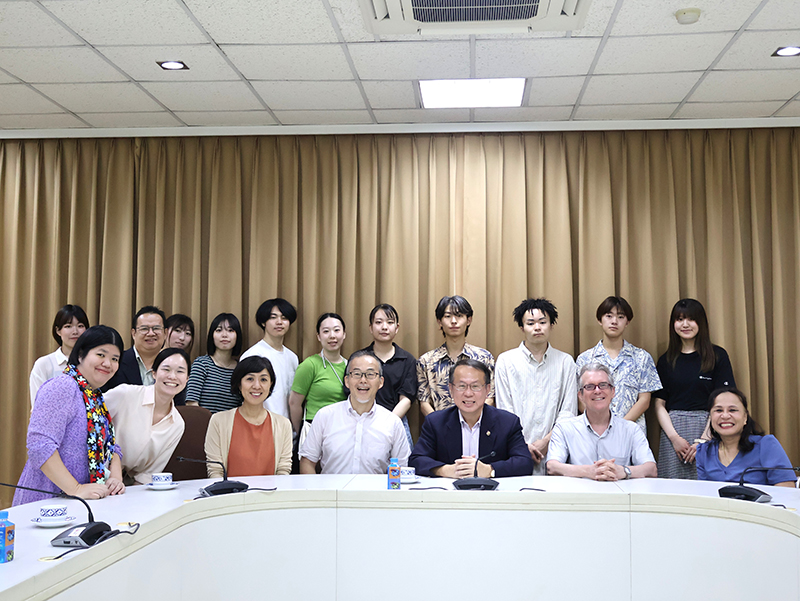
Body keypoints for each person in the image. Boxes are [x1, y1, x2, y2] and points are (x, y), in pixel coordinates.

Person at [14, 325, 127, 505]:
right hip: (47, 501)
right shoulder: (63, 387)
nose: (108, 363)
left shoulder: (94, 397)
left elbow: (111, 446)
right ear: (81, 354)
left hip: (81, 502)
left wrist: (115, 477)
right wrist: (76, 488)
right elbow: (40, 445)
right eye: (100, 355)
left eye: (115, 358)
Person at [653, 298, 735, 480]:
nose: (685, 324)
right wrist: (674, 438)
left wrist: (704, 440)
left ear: (701, 323)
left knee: (709, 485)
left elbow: (724, 400)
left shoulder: (717, 356)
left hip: (710, 427)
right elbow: (659, 404)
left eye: (691, 319)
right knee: (672, 489)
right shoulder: (666, 360)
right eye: (679, 319)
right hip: (673, 431)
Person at [410, 359, 533, 479]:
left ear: (487, 390)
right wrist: (446, 470)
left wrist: (489, 470)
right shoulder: (436, 422)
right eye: (461, 386)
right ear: (451, 389)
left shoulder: (507, 422)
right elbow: (416, 460)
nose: (468, 393)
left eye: (475, 386)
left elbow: (525, 463)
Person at [495, 298, 577, 474]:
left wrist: (547, 441)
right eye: (530, 323)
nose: (537, 327)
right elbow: (504, 409)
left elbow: (568, 410)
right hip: (514, 451)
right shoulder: (505, 361)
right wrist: (522, 445)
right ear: (522, 327)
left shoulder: (566, 362)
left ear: (551, 325)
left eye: (543, 322)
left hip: (557, 451)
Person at [299, 351, 410, 474]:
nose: (363, 380)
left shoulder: (392, 422)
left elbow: (402, 468)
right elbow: (307, 462)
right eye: (356, 374)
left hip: (375, 492)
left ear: (381, 382)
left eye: (370, 374)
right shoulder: (325, 416)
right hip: (333, 492)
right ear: (347, 381)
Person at [546, 363, 657, 480]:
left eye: (603, 385)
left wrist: (624, 471)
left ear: (613, 391)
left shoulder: (631, 429)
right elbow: (552, 467)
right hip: (579, 496)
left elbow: (651, 469)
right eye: (589, 386)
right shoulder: (564, 428)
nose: (597, 391)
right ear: (580, 395)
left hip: (620, 496)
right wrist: (588, 471)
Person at [575, 296, 661, 433]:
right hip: (594, 432)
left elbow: (644, 400)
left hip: (631, 433)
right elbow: (581, 400)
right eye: (609, 316)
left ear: (627, 322)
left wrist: (618, 426)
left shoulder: (642, 357)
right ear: (600, 320)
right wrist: (601, 425)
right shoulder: (584, 359)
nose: (614, 321)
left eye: (620, 317)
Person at [104, 348, 188, 485]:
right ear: (153, 373)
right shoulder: (126, 394)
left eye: (180, 371)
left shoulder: (177, 424)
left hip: (125, 487)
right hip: (93, 472)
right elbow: (88, 418)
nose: (172, 376)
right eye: (166, 369)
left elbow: (148, 474)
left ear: (187, 379)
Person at [204, 356, 293, 477]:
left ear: (270, 384)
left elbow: (283, 470)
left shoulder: (283, 424)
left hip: (271, 494)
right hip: (230, 494)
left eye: (263, 380)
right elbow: (215, 471)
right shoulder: (218, 421)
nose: (257, 386)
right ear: (239, 384)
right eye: (250, 379)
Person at [697, 388, 795, 487]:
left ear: (745, 417)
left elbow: (786, 488)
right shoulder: (704, 451)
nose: (725, 416)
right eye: (718, 410)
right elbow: (704, 493)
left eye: (732, 410)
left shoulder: (766, 445)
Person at [417, 295, 494, 415]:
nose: (453, 321)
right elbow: (424, 402)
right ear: (439, 322)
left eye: (459, 316)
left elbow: (490, 396)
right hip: (440, 429)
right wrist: (439, 425)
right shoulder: (426, 361)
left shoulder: (484, 357)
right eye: (448, 316)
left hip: (476, 425)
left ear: (469, 320)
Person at [357, 304, 417, 448]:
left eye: (390, 323)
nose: (384, 327)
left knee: (402, 467)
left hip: (396, 420)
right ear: (370, 327)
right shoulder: (359, 359)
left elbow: (406, 399)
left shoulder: (407, 359)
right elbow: (352, 392)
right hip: (362, 419)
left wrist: (387, 423)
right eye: (378, 322)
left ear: (396, 328)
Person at [288, 312, 348, 435]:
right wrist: (300, 432)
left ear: (344, 334)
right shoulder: (310, 365)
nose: (332, 336)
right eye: (326, 331)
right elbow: (294, 403)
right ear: (319, 336)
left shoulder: (350, 366)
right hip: (315, 428)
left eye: (337, 330)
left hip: (344, 428)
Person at [240, 298, 299, 419]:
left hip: (286, 427)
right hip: (259, 423)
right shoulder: (252, 354)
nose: (279, 322)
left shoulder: (292, 357)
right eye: (273, 317)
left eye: (284, 318)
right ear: (263, 322)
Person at [29, 304, 90, 409]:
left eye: (80, 326)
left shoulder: (92, 363)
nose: (75, 331)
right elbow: (38, 405)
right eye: (68, 326)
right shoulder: (44, 364)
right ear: (58, 331)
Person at [185, 313, 243, 413]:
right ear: (212, 335)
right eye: (219, 330)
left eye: (230, 330)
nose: (224, 335)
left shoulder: (241, 369)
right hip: (203, 425)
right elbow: (191, 403)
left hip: (230, 426)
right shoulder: (201, 364)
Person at [103, 305, 167, 391]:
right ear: (133, 333)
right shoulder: (117, 362)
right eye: (144, 329)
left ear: (165, 333)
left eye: (156, 328)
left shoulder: (173, 365)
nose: (151, 333)